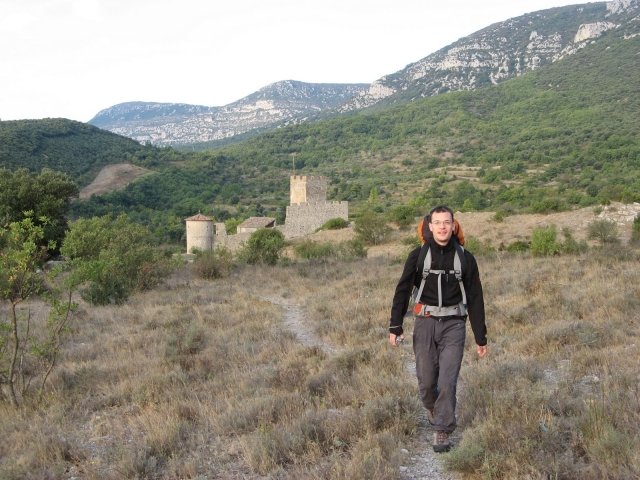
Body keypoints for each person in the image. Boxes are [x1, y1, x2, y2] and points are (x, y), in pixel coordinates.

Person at [388, 205, 487, 452]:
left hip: (454, 324)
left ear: (453, 226)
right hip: (425, 322)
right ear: (429, 226)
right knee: (425, 380)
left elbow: (475, 297)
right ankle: (433, 409)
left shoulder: (465, 258)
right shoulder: (418, 256)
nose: (442, 227)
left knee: (447, 380)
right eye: (438, 222)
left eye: (447, 222)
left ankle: (442, 429)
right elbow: (402, 290)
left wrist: (481, 337)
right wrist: (395, 325)